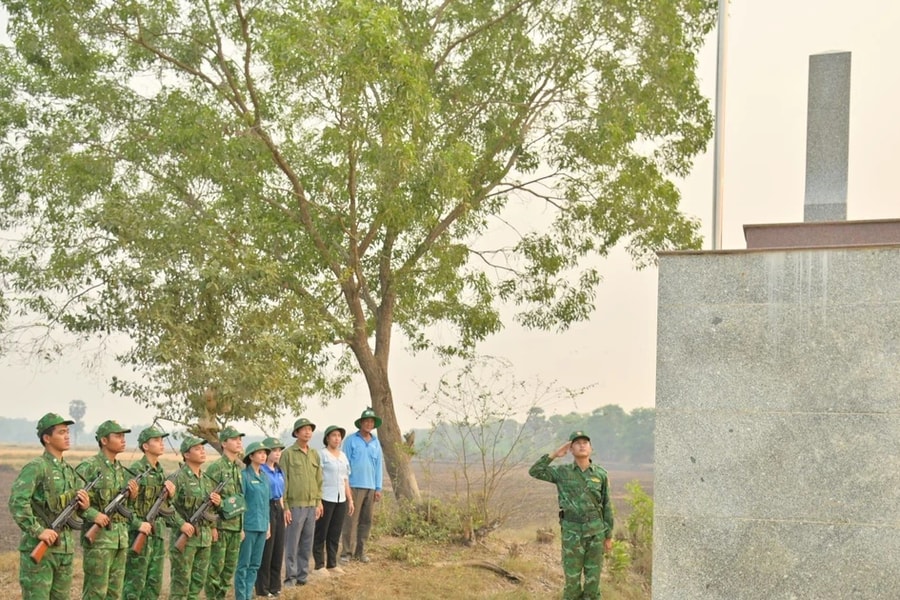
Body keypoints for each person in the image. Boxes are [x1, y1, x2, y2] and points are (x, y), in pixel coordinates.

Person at [9, 412, 90, 600]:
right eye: (61, 432)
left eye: (68, 432)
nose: (67, 436)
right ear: (47, 438)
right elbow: (17, 503)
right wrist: (38, 530)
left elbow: (71, 509)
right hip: (40, 549)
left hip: (64, 550)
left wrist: (84, 506)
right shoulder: (36, 467)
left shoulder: (69, 470)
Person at [529, 431, 614, 600]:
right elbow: (535, 471)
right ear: (571, 449)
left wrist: (608, 536)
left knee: (593, 581)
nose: (582, 445)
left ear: (591, 448)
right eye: (577, 443)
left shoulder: (600, 474)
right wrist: (554, 455)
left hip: (596, 533)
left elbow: (606, 505)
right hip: (572, 533)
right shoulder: (562, 472)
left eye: (585, 442)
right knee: (572, 581)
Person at [76, 420, 151, 600]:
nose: (123, 440)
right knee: (96, 592)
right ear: (104, 440)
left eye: (124, 436)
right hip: (99, 541)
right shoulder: (89, 467)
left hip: (120, 539)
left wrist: (132, 498)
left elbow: (125, 509)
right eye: (118, 436)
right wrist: (94, 514)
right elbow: (75, 501)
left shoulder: (120, 469)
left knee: (114, 593)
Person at [123, 426, 177, 600]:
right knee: (134, 583)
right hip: (140, 533)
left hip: (157, 534)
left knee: (154, 584)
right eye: (157, 440)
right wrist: (138, 524)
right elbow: (123, 506)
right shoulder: (136, 470)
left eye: (162, 440)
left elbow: (165, 507)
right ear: (145, 446)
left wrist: (171, 496)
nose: (161, 444)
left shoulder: (160, 472)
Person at [169, 435, 221, 600]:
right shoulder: (178, 477)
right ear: (186, 454)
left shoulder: (206, 480)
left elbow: (210, 509)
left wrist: (213, 525)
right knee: (181, 584)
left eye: (203, 448)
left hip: (203, 538)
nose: (202, 452)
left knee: (197, 583)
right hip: (185, 538)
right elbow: (165, 506)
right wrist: (181, 524)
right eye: (197, 449)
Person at [280, 417, 323, 587]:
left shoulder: (314, 454)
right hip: (295, 506)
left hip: (312, 506)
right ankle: (290, 577)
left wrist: (319, 502)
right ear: (296, 433)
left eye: (310, 429)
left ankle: (302, 577)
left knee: (306, 543)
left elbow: (319, 479)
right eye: (303, 429)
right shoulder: (288, 454)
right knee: (292, 543)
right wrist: (286, 507)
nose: (307, 432)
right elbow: (284, 481)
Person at [205, 425, 246, 600]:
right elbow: (208, 501)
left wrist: (241, 527)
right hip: (221, 528)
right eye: (234, 439)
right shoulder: (216, 468)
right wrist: (212, 526)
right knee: (215, 569)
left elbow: (238, 500)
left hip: (235, 528)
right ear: (223, 443)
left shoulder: (237, 468)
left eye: (240, 439)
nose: (239, 442)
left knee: (228, 571)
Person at [341, 407, 383, 563]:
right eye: (366, 421)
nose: (369, 424)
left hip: (370, 487)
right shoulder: (351, 440)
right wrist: (346, 486)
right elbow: (345, 464)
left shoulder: (375, 442)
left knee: (366, 521)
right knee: (351, 519)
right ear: (361, 423)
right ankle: (346, 552)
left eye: (371, 422)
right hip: (354, 485)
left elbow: (378, 465)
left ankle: (361, 551)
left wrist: (378, 488)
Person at [313, 425, 354, 575]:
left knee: (335, 533)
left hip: (340, 499)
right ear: (327, 438)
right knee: (321, 532)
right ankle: (319, 565)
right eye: (334, 435)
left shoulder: (343, 456)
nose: (337, 438)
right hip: (325, 498)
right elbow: (316, 478)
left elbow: (345, 479)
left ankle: (332, 563)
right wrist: (317, 501)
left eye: (339, 436)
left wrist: (350, 500)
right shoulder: (321, 454)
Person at [234, 440, 271, 600]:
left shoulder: (264, 477)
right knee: (243, 565)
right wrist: (240, 527)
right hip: (248, 526)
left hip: (262, 527)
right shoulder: (244, 476)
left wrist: (268, 525)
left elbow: (266, 504)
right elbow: (240, 503)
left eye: (265, 453)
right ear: (251, 456)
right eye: (260, 453)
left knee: (255, 565)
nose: (263, 456)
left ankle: (248, 595)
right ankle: (241, 597)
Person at [255, 436, 286, 598]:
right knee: (267, 548)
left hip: (278, 507)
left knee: (278, 547)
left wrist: (283, 510)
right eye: (274, 450)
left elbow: (281, 493)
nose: (277, 453)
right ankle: (263, 587)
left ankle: (275, 585)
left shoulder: (279, 470)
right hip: (265, 507)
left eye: (279, 450)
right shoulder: (261, 471)